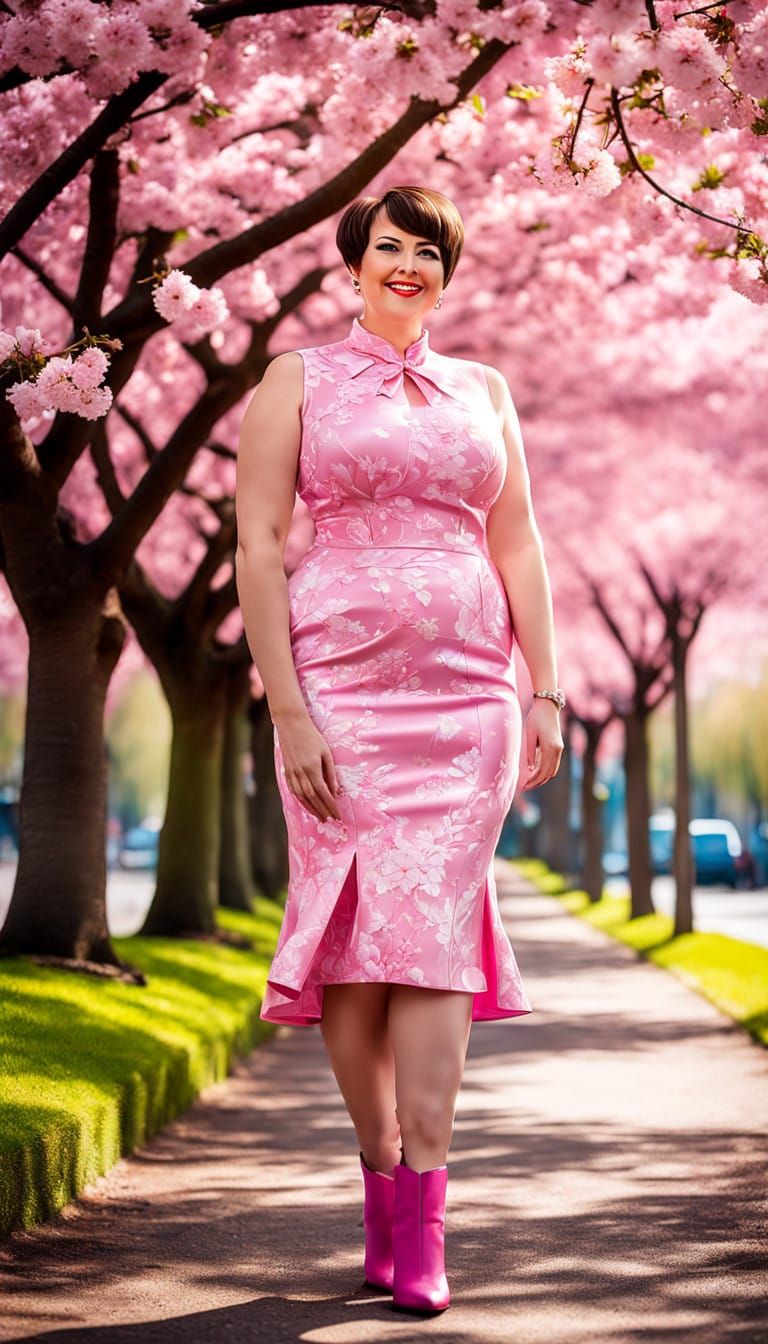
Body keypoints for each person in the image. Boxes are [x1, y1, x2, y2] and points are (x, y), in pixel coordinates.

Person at [235, 185, 564, 1315]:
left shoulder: (487, 389)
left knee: (429, 933)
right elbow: (262, 545)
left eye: (429, 251)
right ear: (355, 262)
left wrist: (546, 691)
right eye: (391, 248)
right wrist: (286, 708)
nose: (410, 265)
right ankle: (379, 1168)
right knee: (353, 940)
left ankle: (427, 1202)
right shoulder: (298, 381)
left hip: (469, 697)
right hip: (335, 691)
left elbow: (517, 540)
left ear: (448, 270)